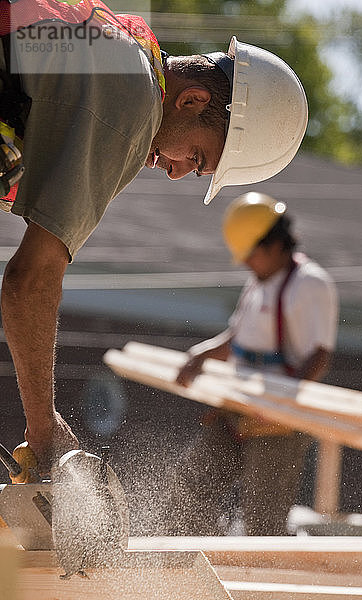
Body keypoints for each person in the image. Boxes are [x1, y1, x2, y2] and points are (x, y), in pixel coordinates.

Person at [0, 0, 308, 474]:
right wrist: (44, 429)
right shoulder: (132, 100)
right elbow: (31, 282)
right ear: (193, 100)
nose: (176, 172)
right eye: (198, 159)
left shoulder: (115, 52)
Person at [175, 192, 338, 535]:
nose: (246, 262)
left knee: (262, 521)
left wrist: (279, 403)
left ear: (276, 244)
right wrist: (200, 357)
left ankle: (261, 584)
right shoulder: (258, 283)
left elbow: (319, 356)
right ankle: (210, 563)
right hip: (240, 408)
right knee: (190, 489)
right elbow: (238, 339)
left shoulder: (310, 284)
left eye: (251, 254)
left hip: (279, 421)